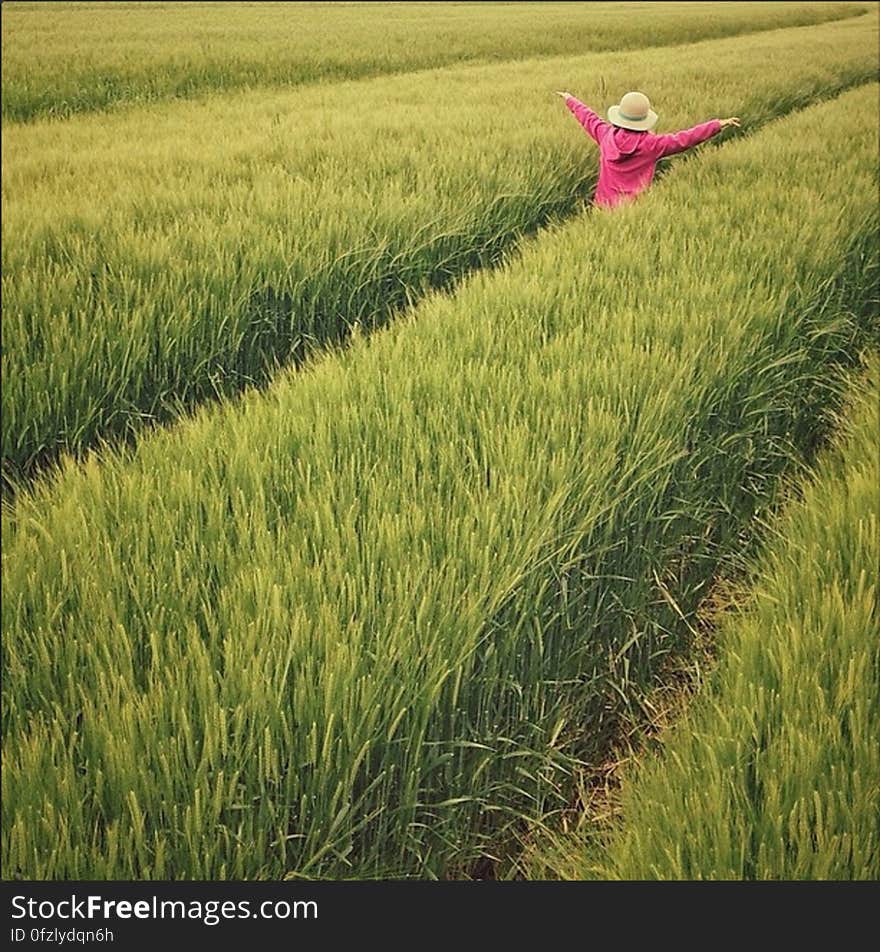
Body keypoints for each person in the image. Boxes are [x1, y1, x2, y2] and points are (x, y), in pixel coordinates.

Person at [556, 90, 741, 208]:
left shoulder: (605, 135)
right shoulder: (652, 145)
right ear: (644, 120)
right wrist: (717, 124)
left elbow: (589, 118)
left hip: (603, 206)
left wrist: (570, 100)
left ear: (620, 117)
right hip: (635, 209)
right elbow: (685, 139)